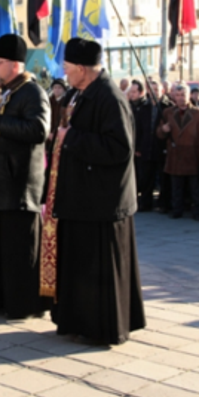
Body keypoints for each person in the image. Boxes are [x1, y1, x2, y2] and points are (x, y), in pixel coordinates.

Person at [48, 37, 145, 345]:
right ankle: (80, 322)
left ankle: (103, 328)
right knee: (81, 265)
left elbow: (119, 148)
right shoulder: (83, 93)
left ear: (81, 68)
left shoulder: (109, 97)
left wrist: (71, 137)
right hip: (82, 198)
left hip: (102, 201)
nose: (64, 74)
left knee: (99, 269)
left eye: (66, 68)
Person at [0, 34, 50, 319]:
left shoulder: (32, 92)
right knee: (1, 248)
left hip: (19, 185)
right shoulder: (4, 90)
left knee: (19, 250)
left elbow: (38, 130)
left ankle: (23, 304)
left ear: (15, 64)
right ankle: (0, 299)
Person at [156, 84, 199, 219]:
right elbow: (159, 133)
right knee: (176, 186)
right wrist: (164, 130)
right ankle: (176, 210)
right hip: (175, 154)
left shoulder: (198, 113)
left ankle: (197, 211)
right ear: (174, 96)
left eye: (183, 95)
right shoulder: (168, 112)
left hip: (192, 154)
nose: (180, 98)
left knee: (195, 187)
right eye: (178, 95)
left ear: (189, 95)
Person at [127, 80, 156, 212]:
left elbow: (145, 129)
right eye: (130, 91)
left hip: (142, 148)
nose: (131, 94)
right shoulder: (129, 106)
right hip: (130, 148)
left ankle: (145, 202)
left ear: (141, 92)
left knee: (145, 177)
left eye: (134, 92)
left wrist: (139, 148)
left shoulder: (146, 107)